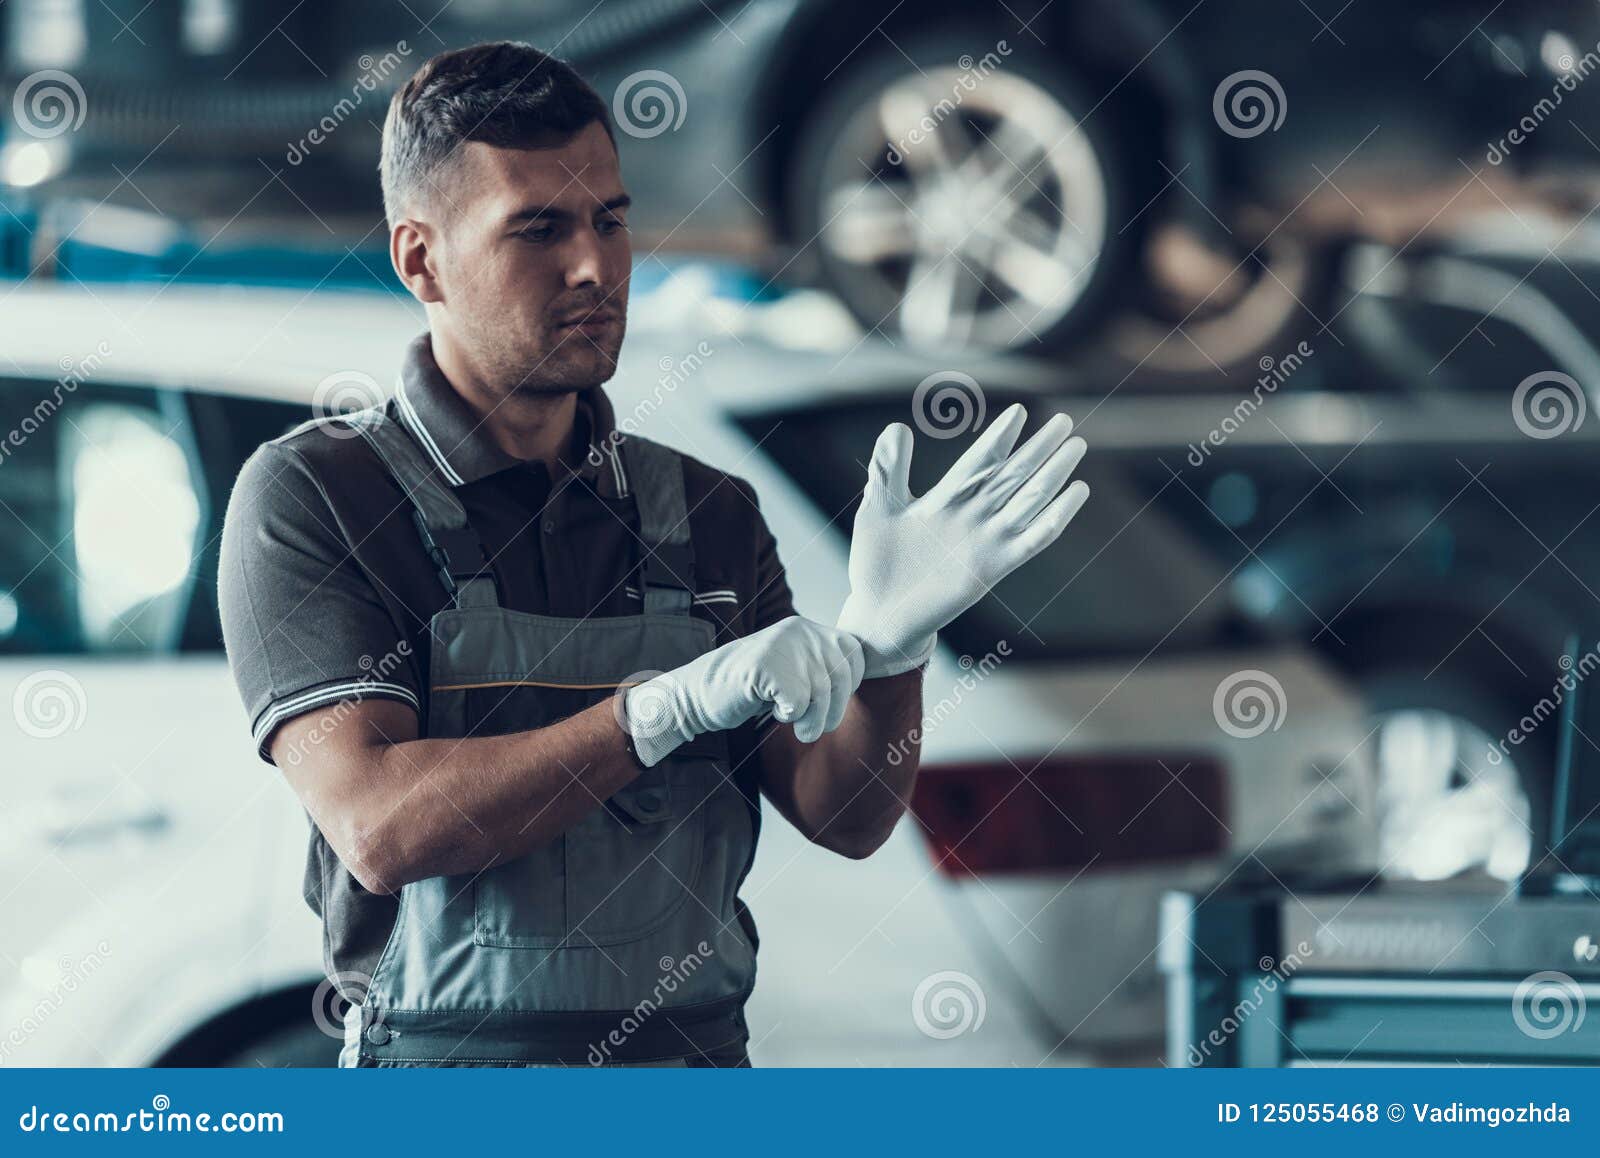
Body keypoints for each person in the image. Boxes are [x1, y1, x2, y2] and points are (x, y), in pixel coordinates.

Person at [217, 41, 1089, 1068]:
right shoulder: (321, 495)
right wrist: (654, 714)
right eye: (538, 228)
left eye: (610, 219)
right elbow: (382, 828)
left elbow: (843, 815)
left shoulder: (705, 511)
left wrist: (889, 654)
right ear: (421, 260)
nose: (595, 267)